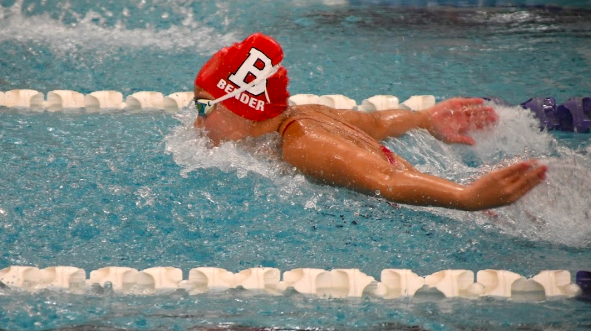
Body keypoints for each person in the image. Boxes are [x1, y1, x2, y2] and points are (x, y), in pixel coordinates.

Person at [192, 33, 547, 211]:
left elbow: (387, 179)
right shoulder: (307, 114)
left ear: (242, 109)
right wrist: (423, 119)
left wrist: (468, 197)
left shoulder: (302, 145)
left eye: (203, 108)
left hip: (469, 210)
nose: (196, 124)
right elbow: (376, 122)